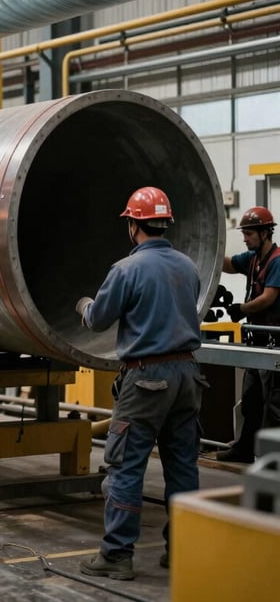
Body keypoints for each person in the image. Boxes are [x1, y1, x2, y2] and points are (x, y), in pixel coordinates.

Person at [75, 186, 206, 580]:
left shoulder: (126, 270)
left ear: (133, 225)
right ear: (164, 224)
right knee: (183, 468)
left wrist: (83, 305)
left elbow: (99, 320)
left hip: (147, 378)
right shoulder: (188, 266)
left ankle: (116, 555)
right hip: (188, 375)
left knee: (125, 467)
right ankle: (182, 550)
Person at [217, 206, 280, 463]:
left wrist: (240, 309)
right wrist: (210, 247)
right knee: (251, 401)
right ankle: (244, 449)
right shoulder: (253, 259)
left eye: (249, 234)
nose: (245, 239)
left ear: (265, 233)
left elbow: (268, 298)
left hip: (274, 345)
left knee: (274, 406)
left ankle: (272, 460)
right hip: (256, 342)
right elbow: (230, 265)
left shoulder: (277, 261)